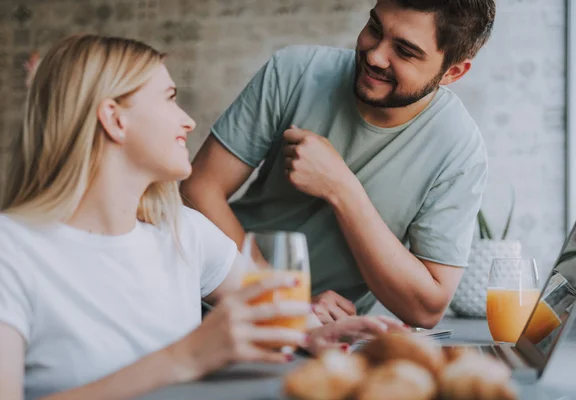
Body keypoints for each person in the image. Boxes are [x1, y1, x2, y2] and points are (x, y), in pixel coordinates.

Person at [0, 34, 404, 400]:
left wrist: (314, 333)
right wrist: (183, 358)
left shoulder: (183, 231)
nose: (188, 121)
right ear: (114, 118)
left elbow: (272, 312)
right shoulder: (12, 251)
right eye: (169, 97)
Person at [180, 0, 496, 327]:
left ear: (452, 72)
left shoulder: (460, 151)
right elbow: (198, 189)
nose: (374, 56)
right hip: (204, 301)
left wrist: (342, 189)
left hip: (326, 335)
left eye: (404, 51)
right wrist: (283, 301)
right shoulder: (293, 71)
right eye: (375, 28)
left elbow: (426, 309)